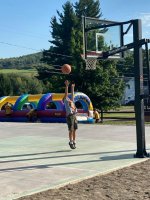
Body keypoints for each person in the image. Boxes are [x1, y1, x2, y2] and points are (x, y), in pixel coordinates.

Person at [63, 80, 78, 149]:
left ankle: (74, 141)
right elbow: (66, 94)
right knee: (71, 130)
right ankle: (71, 142)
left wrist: (72, 87)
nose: (68, 97)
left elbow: (72, 94)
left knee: (75, 129)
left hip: (74, 116)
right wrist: (66, 86)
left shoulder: (71, 101)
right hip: (70, 116)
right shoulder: (66, 101)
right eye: (67, 97)